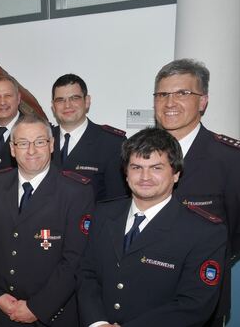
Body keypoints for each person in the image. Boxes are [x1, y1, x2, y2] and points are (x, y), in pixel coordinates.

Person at [77, 127, 226, 326]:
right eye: (136, 167)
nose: (145, 177)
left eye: (156, 168)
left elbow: (193, 304)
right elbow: (87, 274)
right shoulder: (103, 214)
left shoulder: (204, 232)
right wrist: (97, 322)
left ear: (176, 173)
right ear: (126, 173)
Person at [0, 114, 94, 326]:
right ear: (12, 148)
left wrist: (37, 307)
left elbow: (74, 260)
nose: (31, 151)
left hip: (52, 313)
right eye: (22, 143)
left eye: (39, 142)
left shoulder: (75, 192)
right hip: (4, 309)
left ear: (52, 145)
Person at [152, 58, 240, 326]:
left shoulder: (229, 159)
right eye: (163, 94)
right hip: (144, 296)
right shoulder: (139, 153)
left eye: (182, 93)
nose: (170, 103)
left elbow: (235, 235)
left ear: (203, 101)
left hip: (200, 298)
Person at [50, 74, 128, 201]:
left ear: (87, 101)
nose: (67, 105)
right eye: (60, 100)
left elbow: (117, 202)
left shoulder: (112, 143)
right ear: (53, 106)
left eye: (74, 98)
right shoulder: (40, 141)